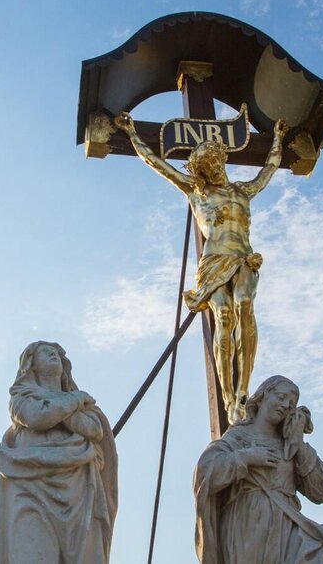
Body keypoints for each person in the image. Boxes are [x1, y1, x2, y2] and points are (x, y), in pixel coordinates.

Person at [114, 111, 286, 423]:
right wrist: (131, 132)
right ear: (203, 168)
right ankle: (228, 397)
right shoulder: (197, 191)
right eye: (209, 164)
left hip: (244, 258)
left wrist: (278, 138)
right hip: (214, 261)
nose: (215, 166)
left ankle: (243, 392)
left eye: (217, 161)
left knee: (245, 305)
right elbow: (157, 163)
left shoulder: (242, 191)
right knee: (223, 315)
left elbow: (270, 168)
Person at [193, 374, 323, 564]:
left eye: (290, 404)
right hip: (248, 523)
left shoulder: (289, 444)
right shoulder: (238, 438)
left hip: (289, 526)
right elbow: (205, 473)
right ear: (263, 396)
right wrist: (247, 457)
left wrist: (299, 447)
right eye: (281, 398)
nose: (285, 405)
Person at [0, 341, 118, 564]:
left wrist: (55, 410)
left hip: (77, 491)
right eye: (44, 351)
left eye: (56, 353)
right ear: (32, 365)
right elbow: (37, 417)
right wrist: (74, 401)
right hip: (30, 487)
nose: (52, 353)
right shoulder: (22, 399)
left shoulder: (88, 411)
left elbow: (93, 429)